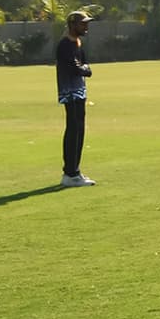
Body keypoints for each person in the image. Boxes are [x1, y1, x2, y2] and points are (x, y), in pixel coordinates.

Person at [55, 11, 97, 187]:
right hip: (70, 92)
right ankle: (70, 173)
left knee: (79, 129)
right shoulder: (65, 45)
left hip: (79, 91)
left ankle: (74, 171)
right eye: (83, 24)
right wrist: (85, 69)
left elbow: (85, 65)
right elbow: (78, 68)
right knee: (73, 130)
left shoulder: (77, 44)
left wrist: (85, 68)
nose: (86, 27)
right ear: (73, 25)